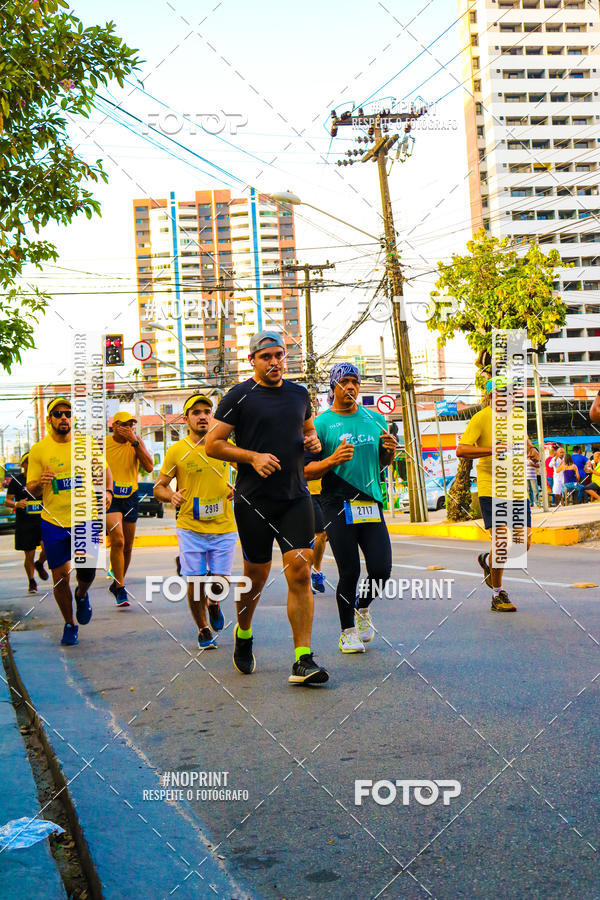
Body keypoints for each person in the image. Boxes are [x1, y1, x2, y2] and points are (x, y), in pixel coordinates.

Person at [204, 330, 329, 686]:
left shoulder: (299, 395)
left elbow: (309, 437)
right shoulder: (239, 397)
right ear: (252, 361)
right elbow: (213, 444)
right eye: (267, 357)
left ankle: (302, 659)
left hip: (295, 497)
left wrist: (313, 440)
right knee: (256, 578)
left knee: (301, 573)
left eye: (280, 355)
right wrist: (252, 456)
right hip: (253, 500)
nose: (275, 362)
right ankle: (243, 631)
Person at [304, 363, 396, 653]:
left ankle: (363, 607)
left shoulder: (374, 418)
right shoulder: (320, 424)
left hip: (370, 501)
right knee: (350, 571)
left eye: (355, 381)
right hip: (336, 502)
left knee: (381, 569)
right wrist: (333, 460)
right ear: (333, 387)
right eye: (344, 382)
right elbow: (306, 470)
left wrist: (389, 453)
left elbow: (380, 463)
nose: (351, 387)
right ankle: (347, 631)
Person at [26, 397, 112, 645]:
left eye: (68, 413)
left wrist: (107, 492)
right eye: (58, 413)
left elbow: (104, 472)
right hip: (53, 521)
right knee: (60, 576)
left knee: (86, 571)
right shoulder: (39, 449)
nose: (64, 417)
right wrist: (39, 483)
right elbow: (30, 489)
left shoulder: (86, 444)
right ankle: (69, 622)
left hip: (84, 518)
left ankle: (82, 593)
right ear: (49, 419)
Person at [154, 394, 236, 649]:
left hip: (224, 525)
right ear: (186, 418)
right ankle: (203, 629)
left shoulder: (223, 445)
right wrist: (171, 495)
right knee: (196, 581)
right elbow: (159, 487)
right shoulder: (177, 451)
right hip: (191, 526)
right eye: (196, 412)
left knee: (220, 582)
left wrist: (238, 487)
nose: (203, 416)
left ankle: (214, 602)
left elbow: (247, 467)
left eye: (207, 411)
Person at [456, 378, 537, 613]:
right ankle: (497, 594)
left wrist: (532, 452)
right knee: (501, 541)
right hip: (491, 486)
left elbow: (526, 442)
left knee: (524, 543)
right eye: (502, 394)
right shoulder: (481, 418)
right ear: (490, 397)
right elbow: (462, 449)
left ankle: (487, 562)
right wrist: (492, 450)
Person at [106, 411, 154, 607]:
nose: (128, 428)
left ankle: (118, 582)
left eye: (131, 425)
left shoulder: (136, 442)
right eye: (124, 425)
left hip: (130, 497)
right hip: (110, 496)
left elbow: (150, 467)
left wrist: (135, 442)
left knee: (128, 545)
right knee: (117, 539)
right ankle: (120, 588)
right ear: (114, 426)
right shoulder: (103, 443)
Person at [5, 453, 48, 593]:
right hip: (25, 523)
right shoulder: (17, 480)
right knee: (29, 554)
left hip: (42, 520)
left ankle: (40, 564)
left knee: (47, 547)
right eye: (28, 461)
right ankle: (32, 581)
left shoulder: (41, 479)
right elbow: (7, 501)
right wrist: (17, 503)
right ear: (23, 464)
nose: (32, 464)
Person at [305, 454, 327, 594]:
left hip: (326, 492)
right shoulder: (301, 436)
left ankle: (315, 571)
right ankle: (312, 574)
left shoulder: (325, 434)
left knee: (323, 535)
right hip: (306, 492)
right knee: (320, 532)